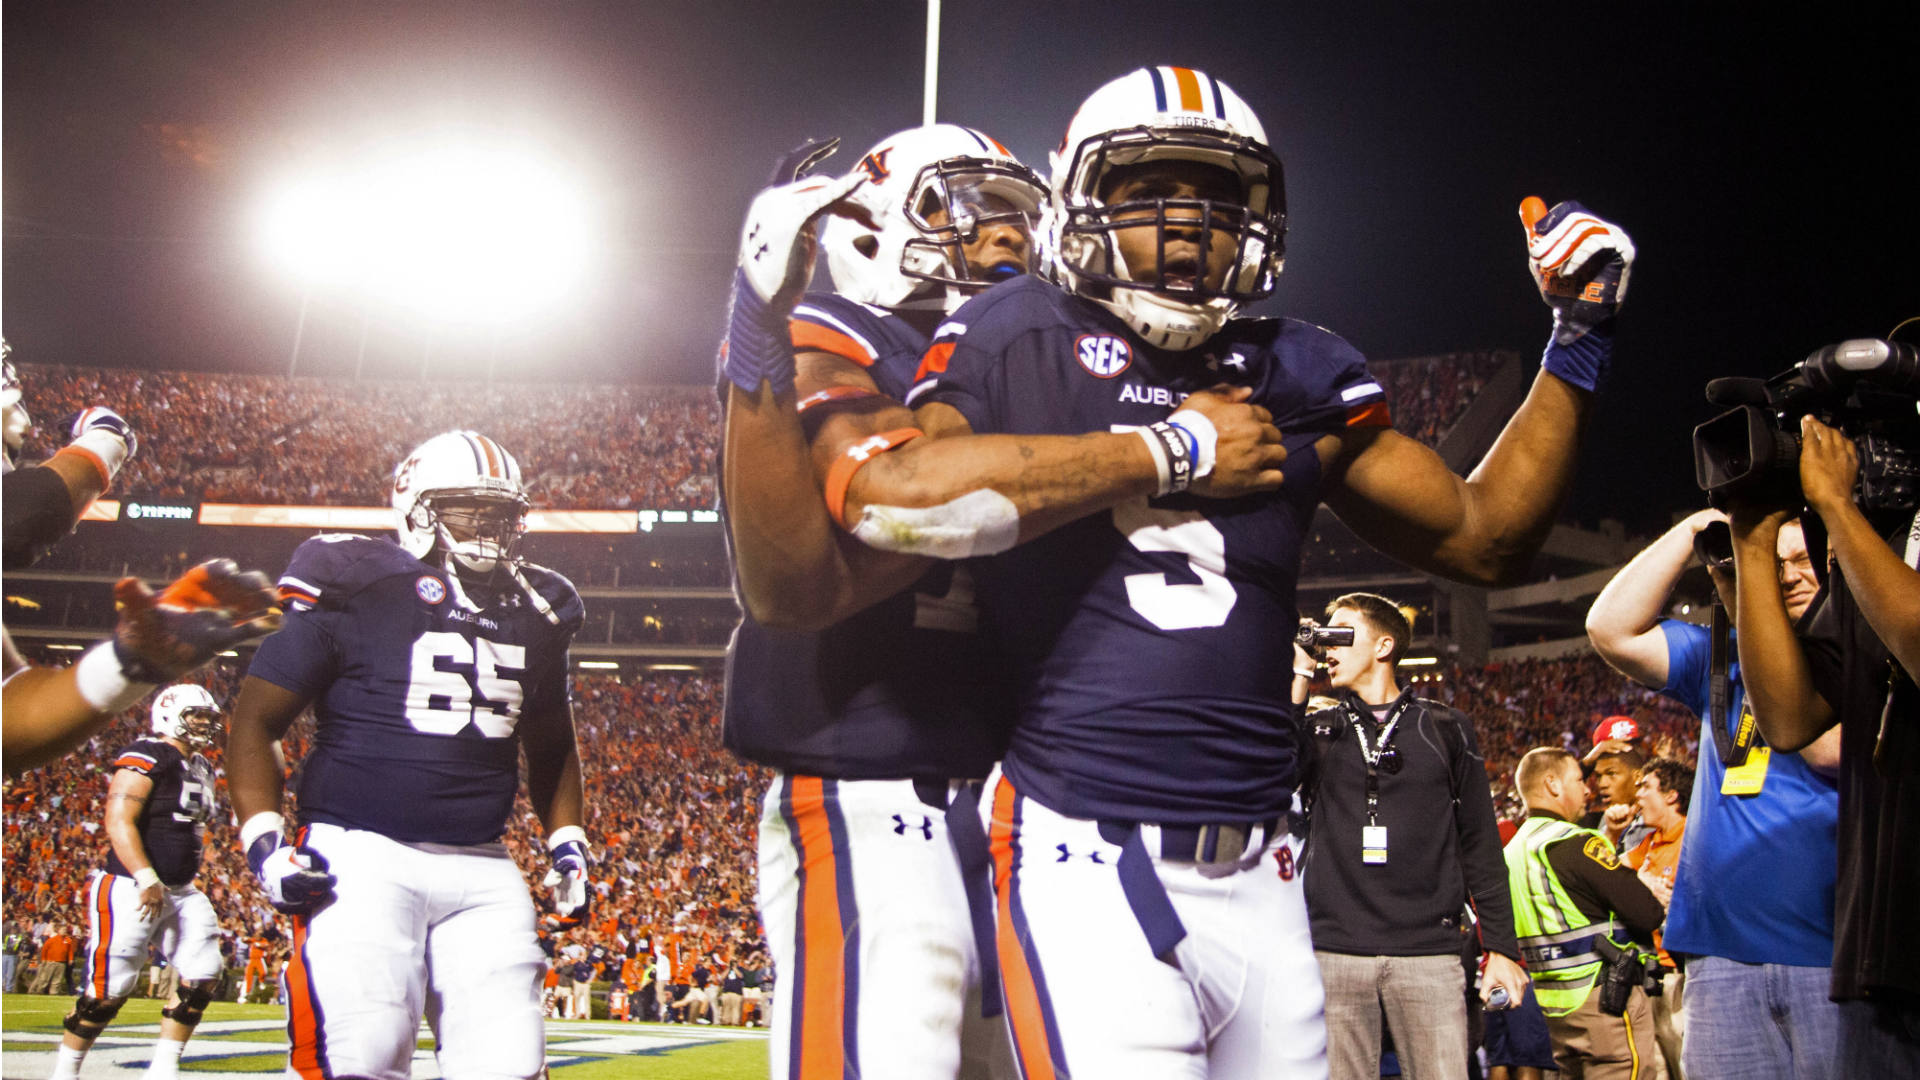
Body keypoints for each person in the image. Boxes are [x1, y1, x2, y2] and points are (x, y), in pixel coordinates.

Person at [892, 65, 1634, 1077]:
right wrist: (1170, 450)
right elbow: (910, 496)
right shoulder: (1019, 329)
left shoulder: (1297, 368)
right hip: (1082, 843)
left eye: (1218, 195)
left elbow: (1486, 536)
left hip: (1266, 868)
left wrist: (1578, 340)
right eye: (1155, 188)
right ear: (1082, 202)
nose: (1192, 222)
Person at [719, 122, 1291, 1080]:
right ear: (868, 225)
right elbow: (796, 584)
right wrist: (755, 331)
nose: (1007, 239)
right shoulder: (851, 333)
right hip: (872, 776)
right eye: (969, 209)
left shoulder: (1041, 354)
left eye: (1025, 216)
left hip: (1028, 806)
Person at [225, 430, 591, 1080]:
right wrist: (264, 845)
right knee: (355, 1060)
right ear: (416, 506)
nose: (490, 524)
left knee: (508, 1068)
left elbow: (553, 742)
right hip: (360, 855)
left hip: (482, 863)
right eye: (468, 506)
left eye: (502, 510)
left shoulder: (543, 604)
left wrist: (567, 841)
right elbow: (257, 720)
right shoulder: (352, 574)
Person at [1587, 508, 1842, 1079]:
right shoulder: (1722, 657)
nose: (1790, 576)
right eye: (1773, 564)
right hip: (1718, 956)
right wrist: (1691, 533)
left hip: (1832, 956)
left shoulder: (1867, 654)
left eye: (1806, 561)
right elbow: (1610, 628)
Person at [1729, 413, 1920, 1074]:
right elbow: (1787, 718)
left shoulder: (1874, 554)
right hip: (1879, 961)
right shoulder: (1887, 556)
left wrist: (1836, 506)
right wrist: (1750, 539)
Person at [1295, 593, 1529, 1080]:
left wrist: (1502, 949)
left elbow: (1481, 846)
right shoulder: (1318, 729)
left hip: (1429, 952)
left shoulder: (1444, 728)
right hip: (1334, 950)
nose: (1328, 648)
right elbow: (1270, 770)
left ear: (1384, 645)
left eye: (1341, 633)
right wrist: (1299, 675)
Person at [49, 684, 228, 1080]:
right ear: (168, 714)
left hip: (181, 890)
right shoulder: (148, 754)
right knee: (107, 995)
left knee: (203, 975)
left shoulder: (201, 765)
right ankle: (65, 1072)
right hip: (132, 887)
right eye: (195, 714)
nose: (203, 723)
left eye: (207, 716)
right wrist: (146, 876)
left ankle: (163, 1071)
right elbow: (118, 820)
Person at [1508, 749, 1667, 1079]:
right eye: (1579, 780)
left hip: (1555, 1006)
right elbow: (1646, 912)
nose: (1587, 790)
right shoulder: (1574, 841)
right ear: (1552, 785)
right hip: (1605, 1002)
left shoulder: (1512, 849)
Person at [1622, 758, 1689, 1080]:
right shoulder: (1651, 841)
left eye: (1646, 787)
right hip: (1652, 975)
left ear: (1672, 795)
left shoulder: (1692, 839)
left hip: (1681, 976)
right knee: (1659, 1070)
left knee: (1688, 1067)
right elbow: (1609, 867)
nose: (1638, 796)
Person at [31, 925, 77, 995]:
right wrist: (44, 959)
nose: (64, 931)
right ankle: (40, 991)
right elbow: (44, 949)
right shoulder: (52, 939)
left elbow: (70, 950)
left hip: (62, 962)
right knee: (45, 978)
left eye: (65, 930)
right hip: (51, 962)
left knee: (57, 979)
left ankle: (53, 993)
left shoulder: (68, 940)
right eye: (62, 929)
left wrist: (70, 959)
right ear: (58, 930)